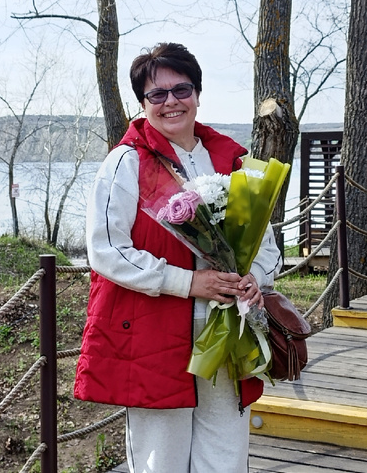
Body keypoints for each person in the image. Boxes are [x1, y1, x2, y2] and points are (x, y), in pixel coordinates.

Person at [75, 42, 282, 473]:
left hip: (228, 331)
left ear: (198, 94)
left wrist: (255, 280)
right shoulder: (125, 164)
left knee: (225, 456)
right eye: (157, 94)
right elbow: (106, 250)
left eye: (181, 89)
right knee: (160, 461)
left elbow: (265, 244)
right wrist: (188, 283)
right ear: (143, 103)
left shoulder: (232, 160)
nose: (171, 102)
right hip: (154, 335)